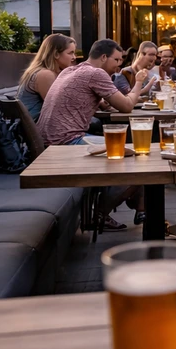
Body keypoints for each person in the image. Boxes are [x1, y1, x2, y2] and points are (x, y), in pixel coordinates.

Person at [37, 39, 148, 229]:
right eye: (116, 60)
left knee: (131, 153)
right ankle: (99, 214)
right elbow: (127, 106)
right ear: (103, 57)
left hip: (49, 141)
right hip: (66, 143)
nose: (118, 66)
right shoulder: (95, 73)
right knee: (138, 161)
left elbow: (104, 104)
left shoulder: (70, 71)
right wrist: (138, 82)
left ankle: (140, 208)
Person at [17, 34, 76, 121]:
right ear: (56, 54)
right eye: (70, 53)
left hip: (37, 125)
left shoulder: (43, 72)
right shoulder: (45, 75)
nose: (74, 57)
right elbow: (60, 109)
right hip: (39, 127)